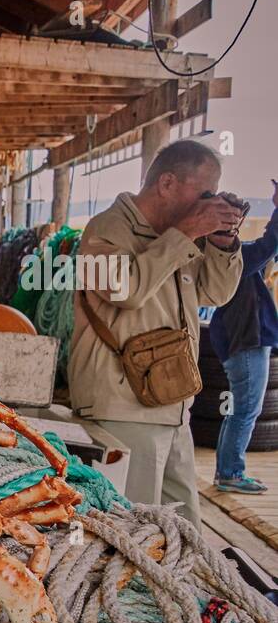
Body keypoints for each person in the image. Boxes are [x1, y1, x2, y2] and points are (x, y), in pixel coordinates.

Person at [68, 141, 244, 529]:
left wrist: (221, 242)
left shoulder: (176, 236)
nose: (207, 204)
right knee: (133, 530)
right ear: (166, 183)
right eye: (204, 193)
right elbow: (123, 290)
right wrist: (184, 232)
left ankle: (182, 591)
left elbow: (215, 293)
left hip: (172, 405)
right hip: (124, 407)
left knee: (184, 530)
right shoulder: (107, 229)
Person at [208, 180, 278, 493]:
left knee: (241, 410)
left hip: (242, 342)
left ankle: (228, 471)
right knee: (245, 411)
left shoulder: (229, 257)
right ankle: (230, 474)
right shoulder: (238, 258)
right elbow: (269, 244)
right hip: (246, 343)